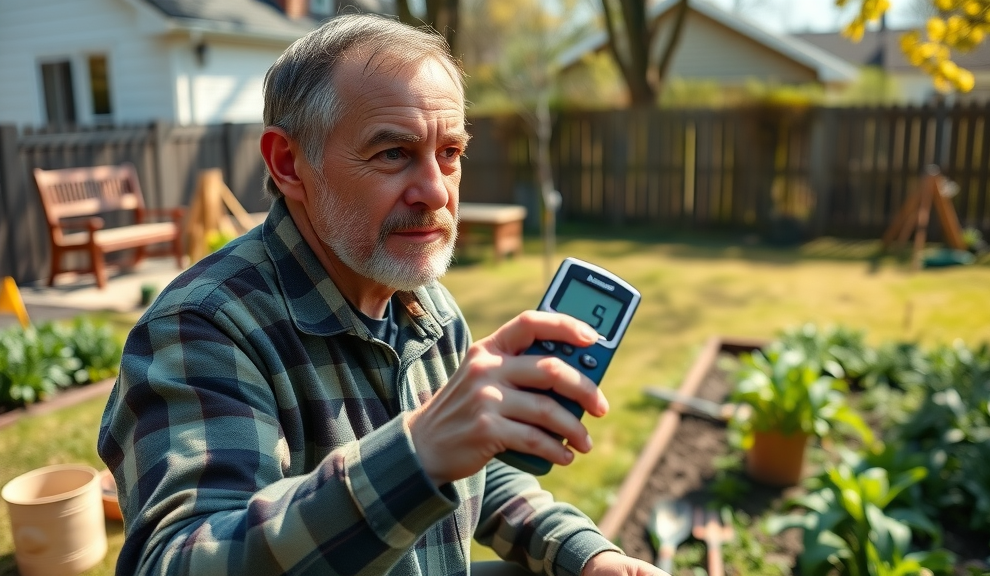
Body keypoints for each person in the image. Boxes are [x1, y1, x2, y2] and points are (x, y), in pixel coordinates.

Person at [98, 13, 667, 576]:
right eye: (393, 153)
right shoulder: (202, 331)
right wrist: (417, 450)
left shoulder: (427, 303)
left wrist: (586, 555)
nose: (435, 192)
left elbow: (479, 472)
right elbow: (178, 561)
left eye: (450, 152)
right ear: (289, 163)